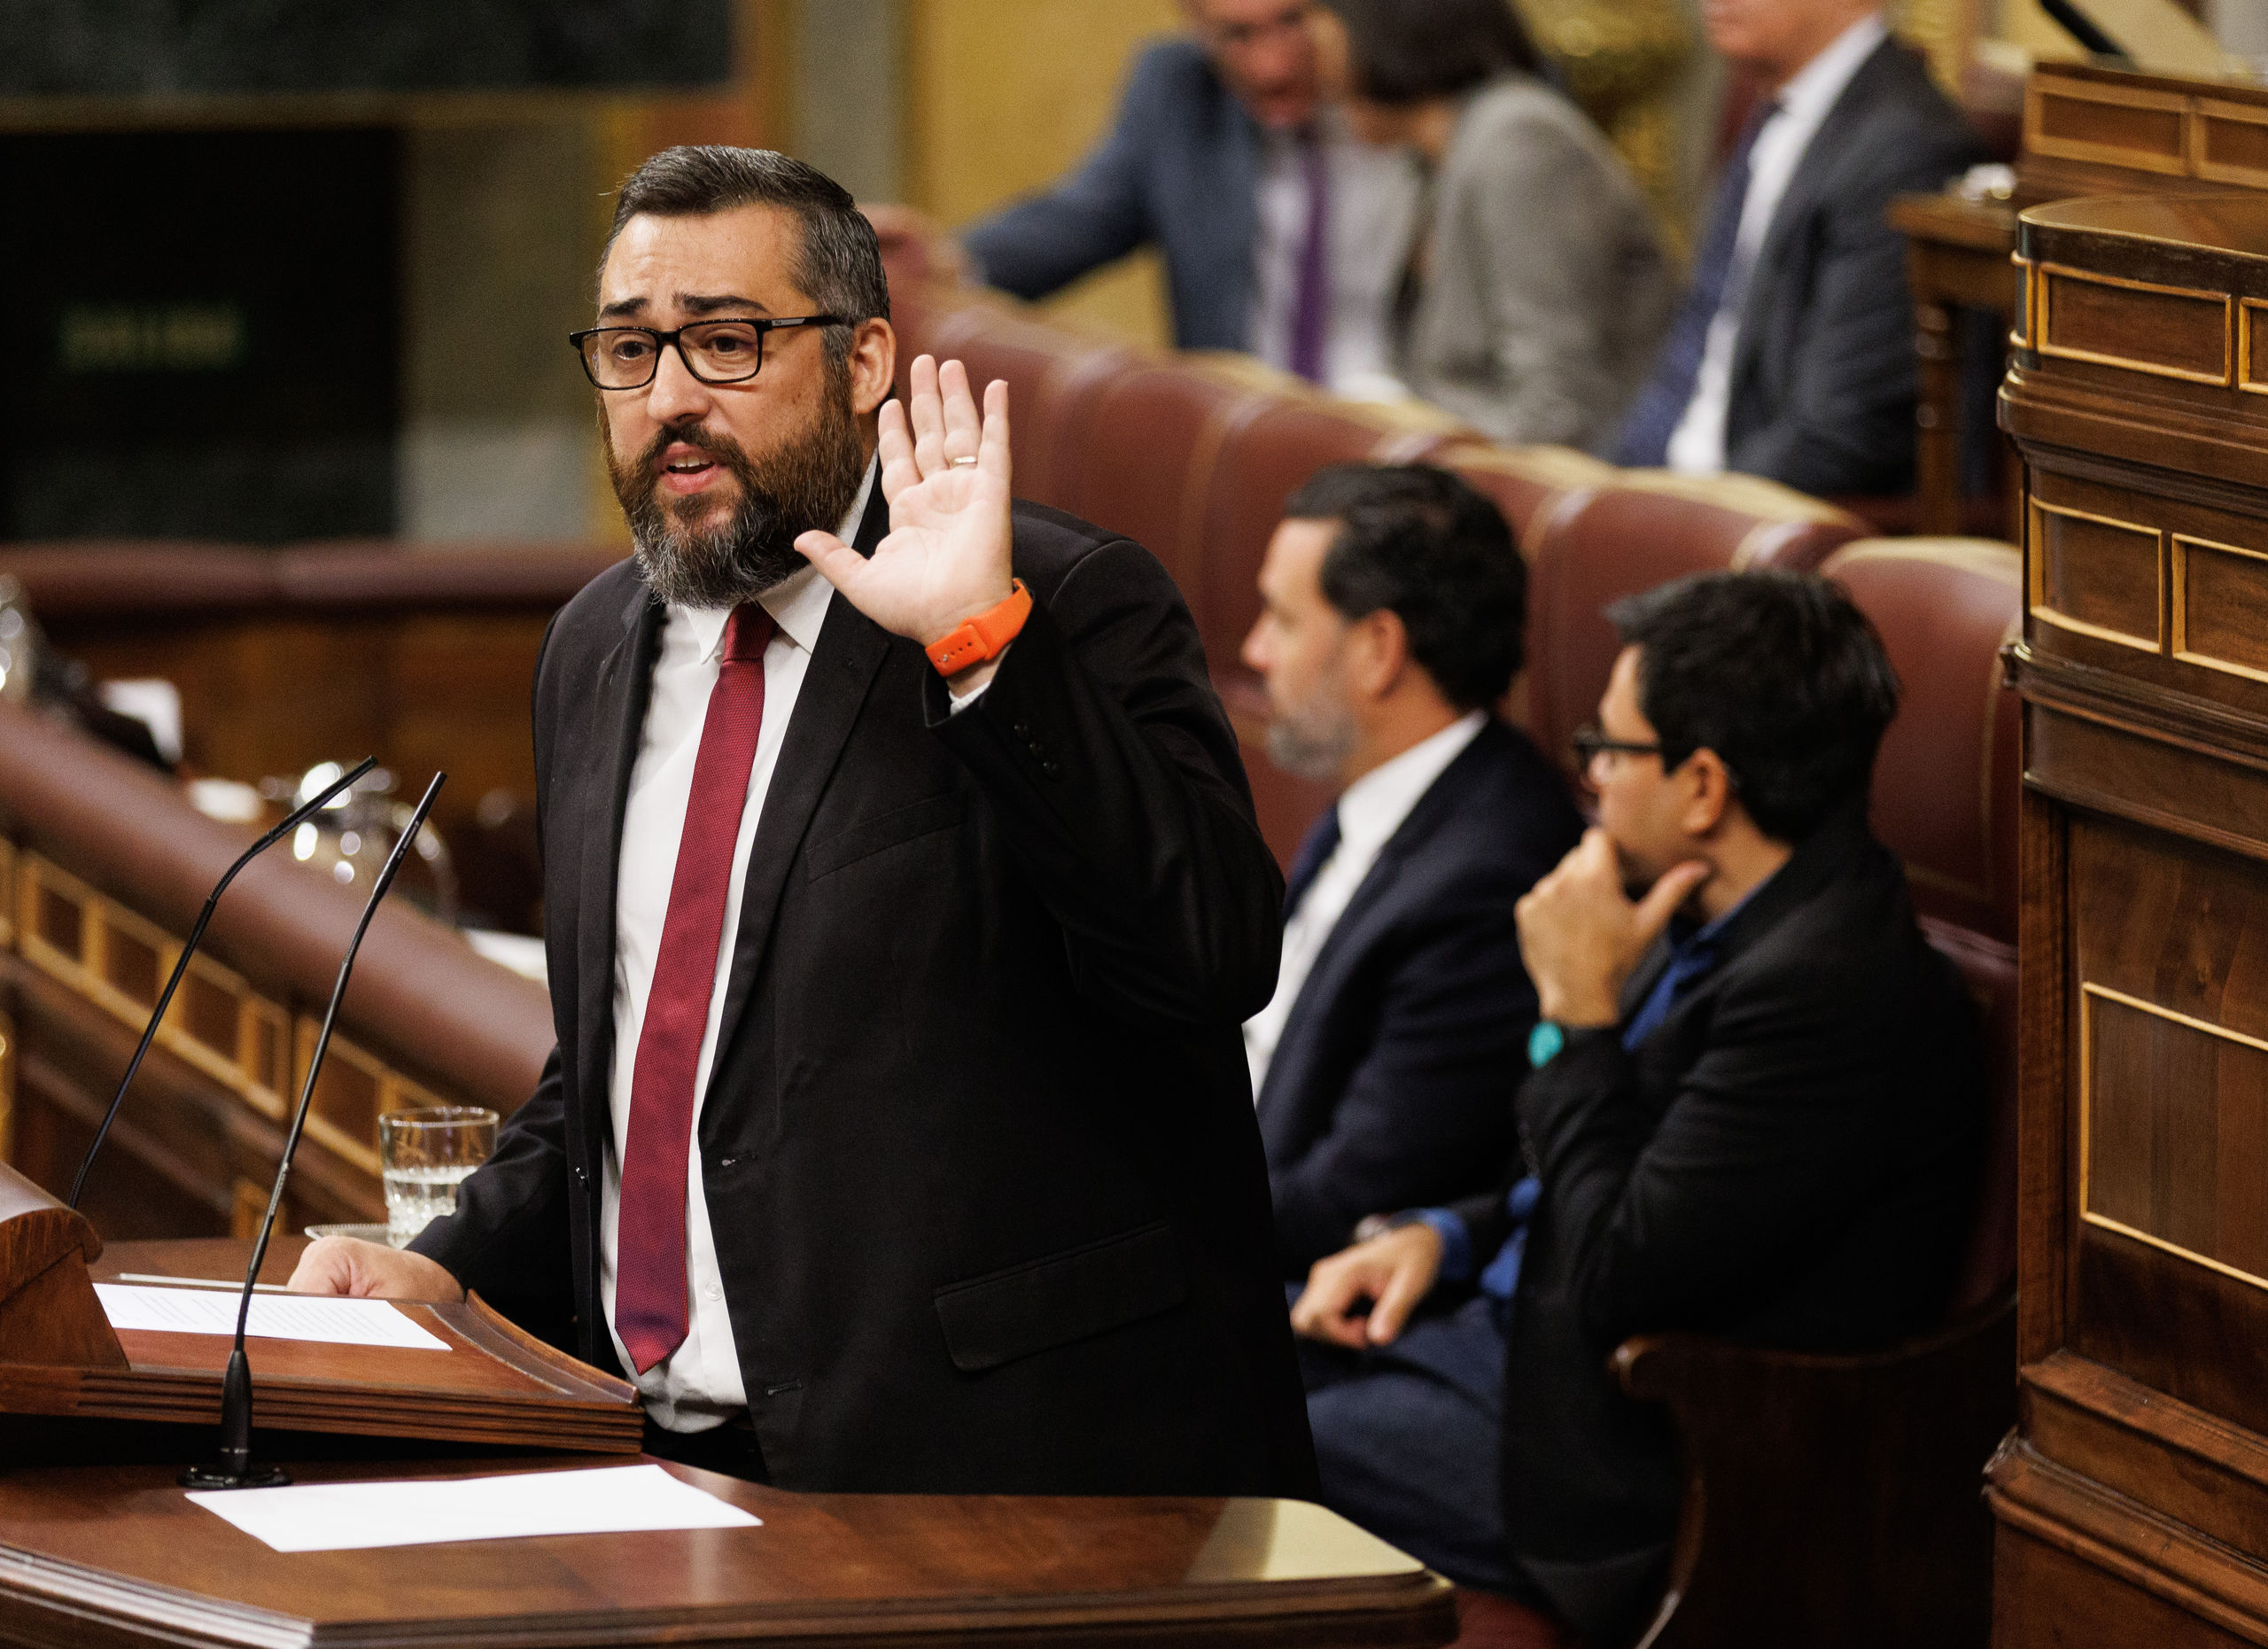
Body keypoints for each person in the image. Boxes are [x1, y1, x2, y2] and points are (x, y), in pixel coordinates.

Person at [290, 144, 1318, 1502]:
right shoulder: (593, 647)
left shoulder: (1058, 601)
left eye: (726, 343)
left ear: (864, 360)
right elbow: (633, 1069)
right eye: (630, 350)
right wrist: (450, 1267)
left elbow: (1209, 955)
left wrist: (980, 646)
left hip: (1003, 1482)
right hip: (657, 1458)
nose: (670, 399)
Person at [1290, 570, 1982, 1643]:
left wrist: (1575, 1011)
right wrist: (1445, 1234)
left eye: (1609, 748)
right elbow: (1587, 1167)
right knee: (1184, 1352)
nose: (1593, 777)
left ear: (1702, 786)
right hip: (1502, 1339)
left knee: (1224, 1429)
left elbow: (1620, 1267)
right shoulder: (1696, 900)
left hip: (1604, 1446)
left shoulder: (1833, 990)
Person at [1239, 464, 1581, 1275]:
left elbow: (1344, 1201)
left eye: (1283, 619)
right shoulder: (1386, 787)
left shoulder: (1488, 878)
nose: (1254, 649)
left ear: (1378, 649)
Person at [1612, 0, 1984, 496]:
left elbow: (1841, 433)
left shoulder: (1904, 144)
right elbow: (1692, 352)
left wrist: (1683, 511)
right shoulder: (1776, 109)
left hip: (1766, 512)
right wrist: (1609, 488)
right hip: (1687, 488)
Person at [960, 0, 1421, 396]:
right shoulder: (1178, 90)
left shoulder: (1416, 88)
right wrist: (950, 262)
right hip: (1250, 425)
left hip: (1408, 424)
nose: (1271, 67)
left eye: (1292, 21)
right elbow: (1077, 221)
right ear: (1196, 24)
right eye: (1237, 35)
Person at [1312, 0, 1674, 448]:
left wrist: (1416, 441)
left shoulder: (1518, 139)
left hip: (1572, 470)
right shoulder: (1432, 158)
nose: (1317, 72)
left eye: (1324, 36)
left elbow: (1558, 406)